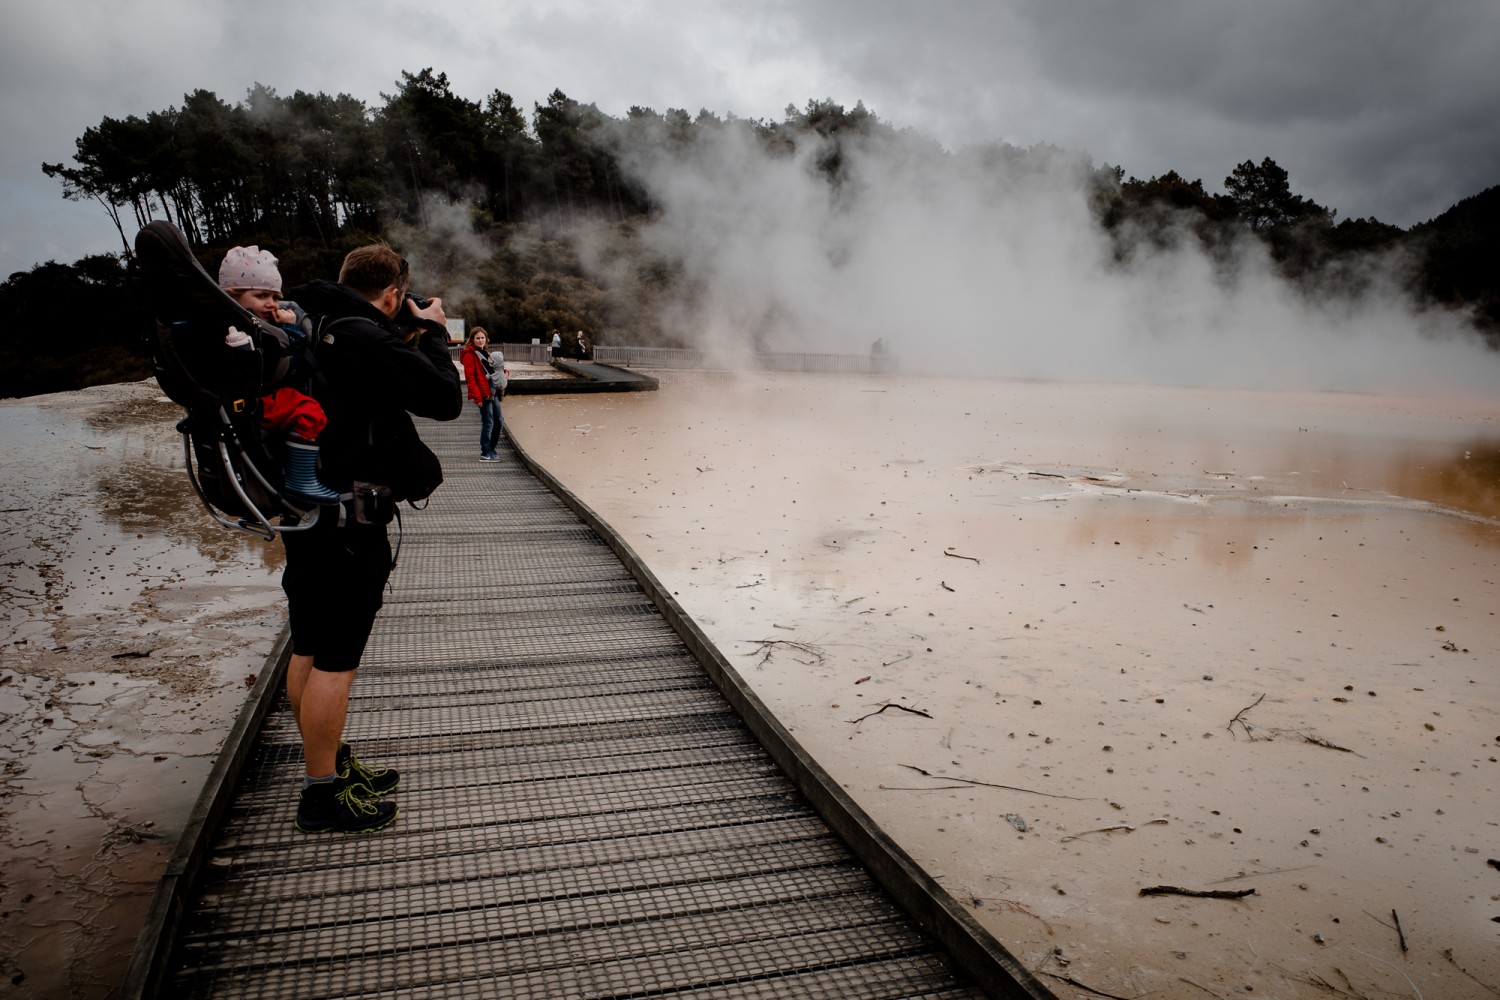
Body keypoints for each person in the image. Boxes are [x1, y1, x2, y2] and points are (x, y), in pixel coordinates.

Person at [277, 244, 463, 833]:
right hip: (348, 523)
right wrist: (433, 330)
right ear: (390, 293)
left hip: (304, 510)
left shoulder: (314, 322)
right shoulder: (363, 336)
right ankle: (321, 796)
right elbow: (445, 399)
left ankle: (326, 763)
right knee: (337, 659)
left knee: (306, 644)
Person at [218, 246, 340, 503]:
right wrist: (291, 329)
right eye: (261, 295)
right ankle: (302, 478)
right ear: (231, 295)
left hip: (244, 405)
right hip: (257, 405)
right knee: (309, 411)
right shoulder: (249, 328)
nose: (272, 304)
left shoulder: (234, 322)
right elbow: (291, 364)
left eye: (275, 296)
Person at [461, 327, 505, 462]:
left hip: (493, 391)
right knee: (488, 422)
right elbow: (470, 378)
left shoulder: (486, 352)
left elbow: (493, 371)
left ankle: (491, 448)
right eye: (477, 338)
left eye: (482, 338)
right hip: (483, 393)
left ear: (486, 339)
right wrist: (477, 397)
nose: (480, 340)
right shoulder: (470, 355)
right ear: (472, 340)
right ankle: (485, 453)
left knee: (498, 421)